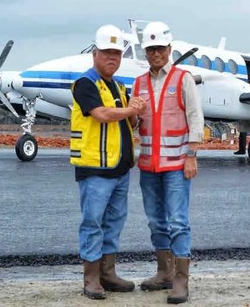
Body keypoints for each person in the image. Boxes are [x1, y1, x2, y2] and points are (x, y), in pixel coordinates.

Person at [70, 24, 146, 300]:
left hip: (120, 169)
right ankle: (91, 277)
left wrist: (136, 111)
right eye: (106, 53)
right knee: (93, 221)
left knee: (114, 221)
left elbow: (131, 122)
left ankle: (108, 273)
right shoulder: (85, 84)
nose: (112, 58)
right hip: (95, 169)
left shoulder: (118, 86)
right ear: (95, 54)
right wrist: (130, 109)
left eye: (116, 53)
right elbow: (101, 114)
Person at [132, 21, 204, 304]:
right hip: (149, 166)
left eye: (159, 48)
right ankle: (164, 272)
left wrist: (191, 156)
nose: (155, 54)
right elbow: (136, 123)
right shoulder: (138, 84)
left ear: (169, 49)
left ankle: (181, 281)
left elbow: (195, 118)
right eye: (150, 49)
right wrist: (131, 114)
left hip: (176, 165)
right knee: (155, 222)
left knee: (178, 222)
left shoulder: (182, 78)